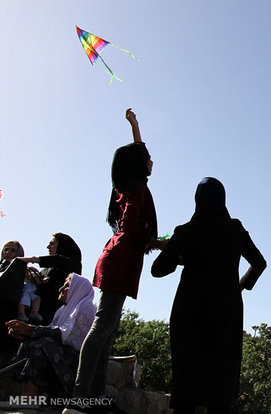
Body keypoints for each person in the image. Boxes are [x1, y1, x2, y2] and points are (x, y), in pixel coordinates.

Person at [63, 108, 164, 414]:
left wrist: (135, 125)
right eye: (146, 157)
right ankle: (80, 398)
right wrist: (154, 240)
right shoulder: (137, 188)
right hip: (120, 260)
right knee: (102, 326)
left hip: (117, 258)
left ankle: (94, 395)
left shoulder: (128, 184)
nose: (151, 160)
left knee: (108, 328)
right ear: (138, 165)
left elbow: (138, 152)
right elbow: (133, 225)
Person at [151, 177, 267, 414]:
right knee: (220, 384)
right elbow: (259, 263)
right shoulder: (235, 229)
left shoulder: (185, 231)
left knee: (186, 385)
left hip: (189, 313)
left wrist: (180, 258)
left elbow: (157, 269)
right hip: (226, 312)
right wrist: (239, 287)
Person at [5, 273, 96, 397]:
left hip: (75, 358)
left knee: (41, 345)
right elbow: (52, 330)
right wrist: (23, 331)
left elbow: (68, 336)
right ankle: (25, 395)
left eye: (66, 286)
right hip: (58, 350)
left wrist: (32, 329)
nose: (61, 289)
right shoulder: (62, 310)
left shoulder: (86, 307)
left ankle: (31, 395)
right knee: (29, 343)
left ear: (77, 290)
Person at [18, 233, 82, 325]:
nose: (48, 247)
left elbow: (59, 261)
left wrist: (28, 259)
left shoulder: (72, 263)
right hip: (34, 314)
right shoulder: (46, 269)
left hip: (53, 316)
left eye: (52, 243)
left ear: (63, 246)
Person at [0, 241, 27, 353]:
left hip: (6, 311)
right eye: (6, 249)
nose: (8, 252)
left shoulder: (20, 268)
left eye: (12, 250)